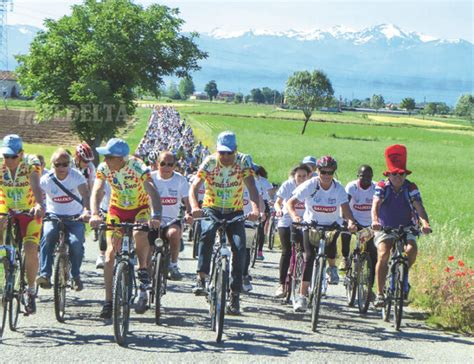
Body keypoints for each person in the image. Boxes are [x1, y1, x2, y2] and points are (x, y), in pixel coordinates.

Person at [89, 138, 162, 319]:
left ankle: (143, 268)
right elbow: (97, 190)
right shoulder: (104, 168)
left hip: (140, 208)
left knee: (139, 233)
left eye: (108, 156)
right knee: (109, 255)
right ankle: (108, 301)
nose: (104, 159)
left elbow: (151, 190)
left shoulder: (137, 166)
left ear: (120, 158)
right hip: (117, 210)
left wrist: (156, 215)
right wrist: (95, 213)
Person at [189, 131, 260, 315]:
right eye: (222, 152)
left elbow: (252, 187)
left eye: (229, 152)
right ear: (217, 151)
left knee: (239, 246)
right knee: (207, 233)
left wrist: (255, 210)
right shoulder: (210, 162)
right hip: (211, 207)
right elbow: (194, 187)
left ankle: (235, 294)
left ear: (236, 150)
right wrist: (195, 206)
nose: (226, 156)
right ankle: (201, 277)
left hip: (234, 210)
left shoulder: (243, 162)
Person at [287, 156, 357, 312]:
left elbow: (345, 209)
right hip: (311, 225)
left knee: (331, 247)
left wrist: (351, 222)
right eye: (323, 172)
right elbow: (290, 203)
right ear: (317, 171)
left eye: (330, 172)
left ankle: (331, 268)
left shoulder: (338, 188)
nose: (326, 175)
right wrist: (295, 217)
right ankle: (302, 296)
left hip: (331, 225)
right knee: (309, 257)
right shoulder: (310, 185)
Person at [372, 144, 432, 307]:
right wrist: (375, 220)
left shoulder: (410, 187)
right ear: (389, 174)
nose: (398, 177)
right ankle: (380, 293)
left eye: (402, 174)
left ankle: (403, 275)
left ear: (405, 175)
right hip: (385, 226)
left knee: (411, 250)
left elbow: (418, 206)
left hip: (407, 226)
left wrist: (425, 223)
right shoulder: (382, 186)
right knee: (383, 254)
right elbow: (376, 203)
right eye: (395, 174)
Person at [0, 134, 44, 314]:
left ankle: (31, 290)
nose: (8, 160)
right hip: (7, 205)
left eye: (12, 156)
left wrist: (39, 203)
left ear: (21, 153)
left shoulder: (31, 162)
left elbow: (35, 182)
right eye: (5, 156)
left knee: (30, 248)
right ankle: (5, 259)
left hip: (29, 208)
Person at [37, 149, 91, 290]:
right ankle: (45, 275)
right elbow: (35, 195)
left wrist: (86, 211)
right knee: (48, 236)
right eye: (57, 164)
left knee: (76, 243)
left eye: (65, 164)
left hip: (74, 217)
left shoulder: (76, 177)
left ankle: (75, 276)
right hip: (53, 216)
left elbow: (85, 195)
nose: (61, 168)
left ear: (70, 164)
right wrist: (37, 206)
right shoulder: (46, 180)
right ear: (52, 165)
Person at [149, 151, 192, 280]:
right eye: (163, 164)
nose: (166, 167)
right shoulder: (150, 178)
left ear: (174, 166)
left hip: (171, 220)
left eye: (170, 164)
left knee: (174, 234)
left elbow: (187, 200)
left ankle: (173, 265)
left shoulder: (180, 180)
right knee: (147, 251)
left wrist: (189, 213)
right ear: (157, 164)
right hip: (152, 220)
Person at [273, 164, 311, 298]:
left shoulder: (311, 186)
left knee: (307, 251)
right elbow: (278, 202)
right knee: (287, 251)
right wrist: (278, 210)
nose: (301, 178)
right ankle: (282, 284)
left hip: (304, 221)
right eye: (299, 176)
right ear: (294, 176)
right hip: (287, 219)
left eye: (304, 176)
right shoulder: (288, 185)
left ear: (308, 176)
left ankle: (304, 284)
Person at [339, 165, 377, 271]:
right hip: (354, 219)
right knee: (345, 232)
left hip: (369, 223)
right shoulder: (352, 187)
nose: (365, 179)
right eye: (362, 176)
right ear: (357, 176)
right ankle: (345, 258)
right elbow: (344, 204)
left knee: (372, 251)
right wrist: (347, 219)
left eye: (369, 176)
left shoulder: (376, 187)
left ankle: (370, 278)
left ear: (372, 176)